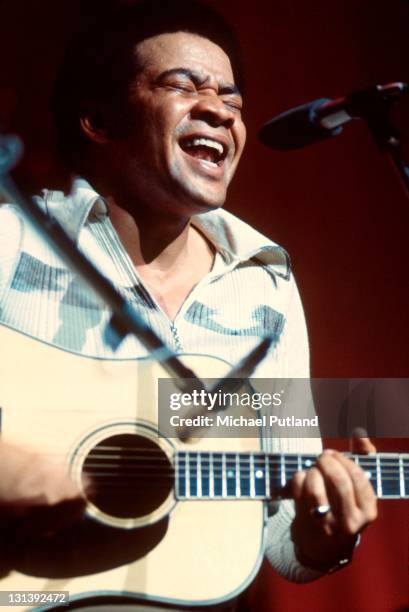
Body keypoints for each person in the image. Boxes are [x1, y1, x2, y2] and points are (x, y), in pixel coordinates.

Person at [0, 0, 377, 609]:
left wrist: (318, 538)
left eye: (232, 101)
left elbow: (281, 530)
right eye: (182, 85)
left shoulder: (265, 283)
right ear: (98, 120)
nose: (218, 111)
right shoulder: (12, 242)